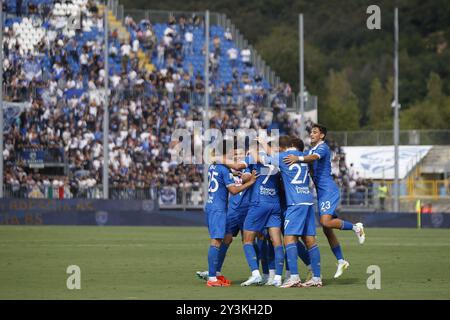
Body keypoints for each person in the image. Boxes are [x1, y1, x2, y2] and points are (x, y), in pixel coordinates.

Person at [283, 124, 365, 279]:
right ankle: (341, 260)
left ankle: (356, 227)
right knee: (327, 229)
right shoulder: (311, 150)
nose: (312, 134)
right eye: (311, 132)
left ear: (321, 136)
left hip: (328, 190)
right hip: (321, 192)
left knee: (326, 222)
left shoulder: (323, 148)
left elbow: (312, 158)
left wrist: (298, 158)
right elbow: (307, 158)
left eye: (315, 132)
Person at [262, 135, 322, 287]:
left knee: (289, 239)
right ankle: (317, 277)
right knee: (310, 240)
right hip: (308, 201)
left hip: (295, 203)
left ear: (283, 147)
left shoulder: (283, 156)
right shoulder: (303, 155)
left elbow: (265, 159)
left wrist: (261, 143)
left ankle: (294, 277)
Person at [203, 141, 257, 287]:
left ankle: (216, 274)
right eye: (232, 153)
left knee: (225, 238)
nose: (233, 156)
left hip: (211, 206)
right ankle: (212, 277)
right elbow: (233, 190)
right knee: (216, 241)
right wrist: (250, 183)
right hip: (218, 209)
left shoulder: (213, 166)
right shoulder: (224, 169)